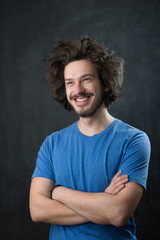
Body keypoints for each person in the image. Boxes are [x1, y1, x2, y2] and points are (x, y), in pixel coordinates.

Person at [29, 36, 151, 240]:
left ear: (105, 83)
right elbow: (37, 210)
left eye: (86, 79)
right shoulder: (52, 144)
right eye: (70, 83)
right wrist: (103, 203)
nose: (77, 90)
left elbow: (118, 213)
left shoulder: (134, 140)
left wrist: (58, 192)